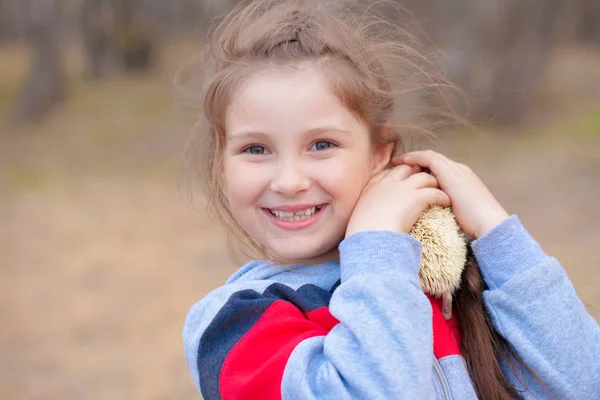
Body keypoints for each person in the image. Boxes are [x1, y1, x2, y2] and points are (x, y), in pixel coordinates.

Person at [181, 0, 600, 398]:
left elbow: (586, 384)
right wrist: (376, 244)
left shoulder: (447, 283)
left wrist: (498, 234)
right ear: (222, 164)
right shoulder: (233, 326)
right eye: (255, 149)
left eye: (322, 144)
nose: (289, 181)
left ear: (380, 154)